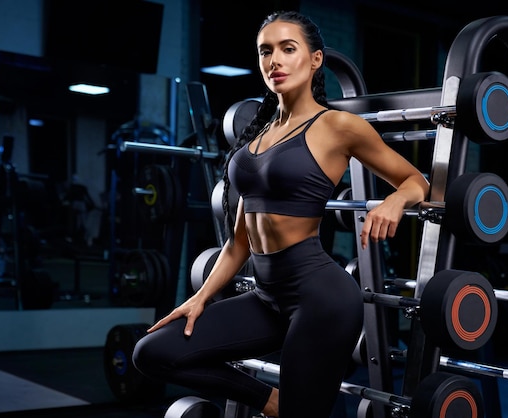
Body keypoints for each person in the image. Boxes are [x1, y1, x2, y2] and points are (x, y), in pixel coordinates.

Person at [132, 10, 429, 418]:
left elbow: (416, 181)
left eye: (288, 49)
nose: (275, 60)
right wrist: (200, 298)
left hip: (321, 297)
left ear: (315, 59)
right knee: (152, 353)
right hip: (267, 296)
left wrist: (394, 201)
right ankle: (271, 400)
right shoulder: (259, 132)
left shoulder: (337, 126)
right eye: (265, 51)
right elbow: (239, 241)